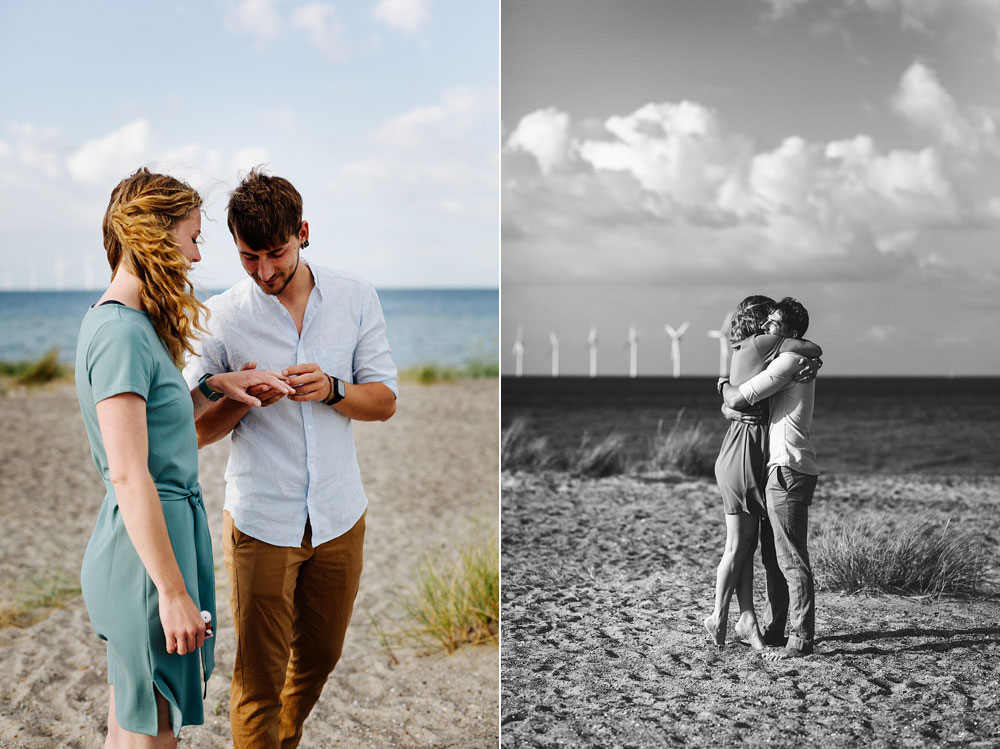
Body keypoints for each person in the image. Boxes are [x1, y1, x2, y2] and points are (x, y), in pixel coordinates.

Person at [75, 168, 294, 747]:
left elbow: (158, 428)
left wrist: (219, 385)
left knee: (133, 727)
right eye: (193, 237)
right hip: (148, 562)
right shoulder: (121, 333)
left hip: (153, 546)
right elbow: (127, 470)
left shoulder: (131, 326)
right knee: (154, 734)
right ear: (155, 237)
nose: (198, 256)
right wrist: (172, 593)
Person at [182, 169, 398, 747]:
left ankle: (283, 738)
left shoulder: (355, 297)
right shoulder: (221, 315)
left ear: (303, 232)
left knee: (321, 657)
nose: (265, 271)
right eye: (249, 257)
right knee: (257, 679)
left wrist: (332, 389)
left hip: (339, 514)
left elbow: (383, 402)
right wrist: (239, 393)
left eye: (276, 253)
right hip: (261, 519)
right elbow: (194, 430)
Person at [704, 295, 821, 651]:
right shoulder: (781, 356)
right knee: (764, 554)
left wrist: (724, 385)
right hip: (765, 462)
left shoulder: (785, 359)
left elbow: (740, 401)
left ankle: (791, 634)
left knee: (781, 556)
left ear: (789, 332)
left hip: (783, 464)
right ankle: (762, 626)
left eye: (776, 322)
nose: (769, 326)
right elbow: (740, 407)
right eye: (767, 320)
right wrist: (727, 393)